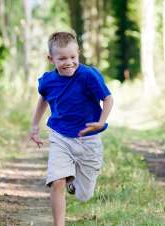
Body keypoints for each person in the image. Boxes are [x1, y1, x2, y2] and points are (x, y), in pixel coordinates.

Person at [28, 31, 114, 226]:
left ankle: (74, 182)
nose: (69, 62)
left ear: (79, 54)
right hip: (60, 136)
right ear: (51, 59)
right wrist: (34, 127)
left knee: (84, 195)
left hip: (89, 138)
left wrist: (101, 121)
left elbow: (108, 99)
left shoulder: (88, 75)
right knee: (57, 180)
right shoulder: (48, 81)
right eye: (62, 58)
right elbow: (43, 99)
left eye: (73, 57)